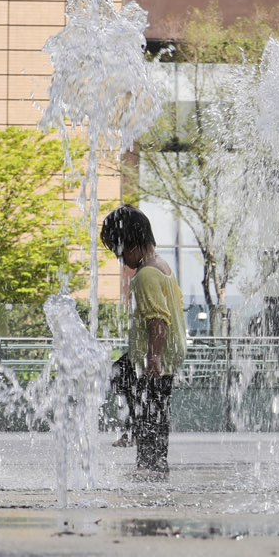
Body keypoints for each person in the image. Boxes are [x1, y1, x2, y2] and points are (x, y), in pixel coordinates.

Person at [101, 205, 187, 478]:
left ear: (134, 242)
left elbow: (158, 319)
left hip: (154, 358)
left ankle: (152, 465)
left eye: (121, 252)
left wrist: (154, 356)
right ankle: (136, 435)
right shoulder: (161, 265)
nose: (120, 260)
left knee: (151, 412)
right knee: (124, 379)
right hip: (154, 355)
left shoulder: (146, 275)